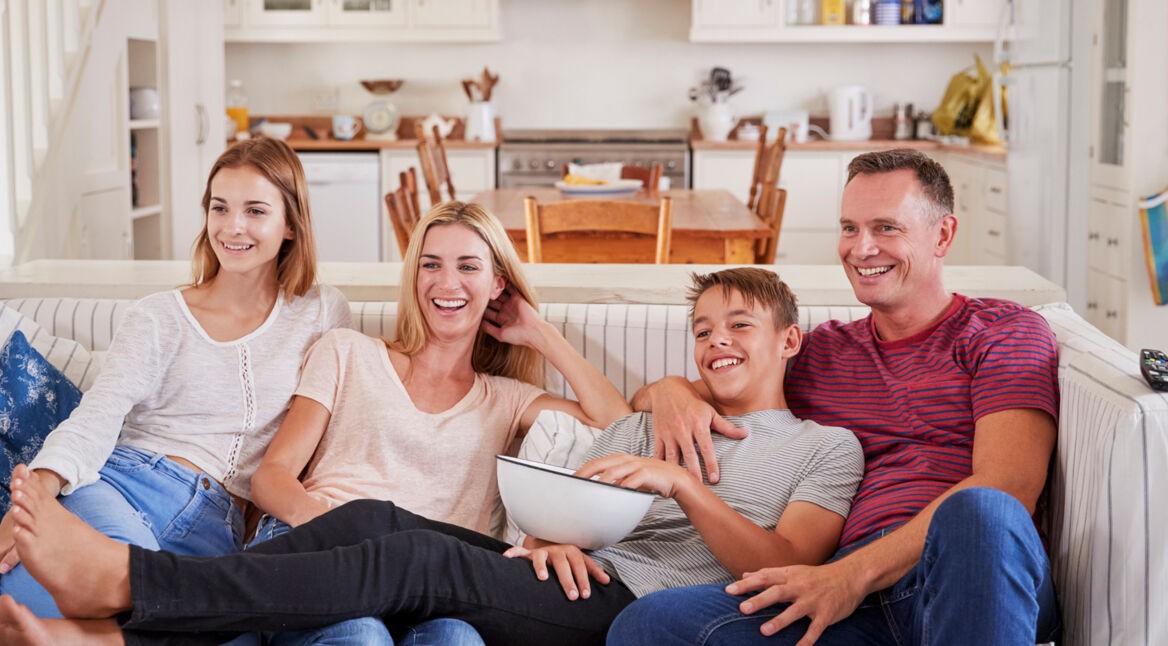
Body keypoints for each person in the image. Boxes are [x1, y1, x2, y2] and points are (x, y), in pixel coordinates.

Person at [0, 267, 864, 646]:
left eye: (738, 328)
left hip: (640, 610)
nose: (716, 343)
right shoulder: (663, 415)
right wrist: (553, 536)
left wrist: (681, 481)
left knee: (411, 557)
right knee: (370, 520)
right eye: (703, 329)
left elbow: (789, 561)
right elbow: (583, 483)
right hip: (573, 576)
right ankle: (112, 636)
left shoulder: (827, 447)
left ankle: (126, 586)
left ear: (790, 340)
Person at [607, 148, 1061, 645]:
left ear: (943, 235)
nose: (862, 248)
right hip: (852, 599)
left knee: (981, 512)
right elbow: (661, 393)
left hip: (965, 576)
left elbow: (1007, 484)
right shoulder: (824, 351)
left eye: (886, 228)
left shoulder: (1004, 332)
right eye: (850, 228)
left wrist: (853, 574)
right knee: (650, 623)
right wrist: (672, 391)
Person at [244, 200, 636, 646]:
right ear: (415, 278)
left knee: (457, 639)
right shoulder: (347, 352)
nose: (447, 283)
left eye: (468, 267)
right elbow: (271, 478)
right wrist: (338, 531)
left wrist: (539, 333)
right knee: (362, 636)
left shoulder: (506, 399)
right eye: (431, 265)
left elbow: (619, 425)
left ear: (497, 285)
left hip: (431, 590)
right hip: (324, 552)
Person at [0, 138, 351, 626]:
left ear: (290, 223)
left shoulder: (321, 311)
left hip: (217, 530)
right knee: (27, 598)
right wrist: (35, 493)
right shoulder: (159, 316)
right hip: (121, 486)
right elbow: (99, 413)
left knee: (196, 620)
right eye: (219, 207)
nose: (232, 227)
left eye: (255, 210)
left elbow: (338, 421)